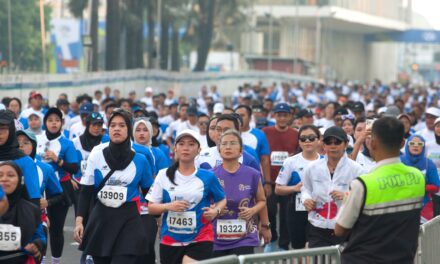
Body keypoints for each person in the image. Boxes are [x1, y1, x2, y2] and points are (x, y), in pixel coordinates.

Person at [335, 117, 425, 264]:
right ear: (403, 143)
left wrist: (347, 200)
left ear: (372, 143)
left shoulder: (363, 184)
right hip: (403, 258)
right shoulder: (418, 177)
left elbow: (340, 229)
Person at [74, 108, 153, 264]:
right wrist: (79, 222)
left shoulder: (141, 159)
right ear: (108, 129)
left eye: (122, 125)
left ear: (129, 130)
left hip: (129, 219)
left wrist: (158, 218)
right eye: (113, 125)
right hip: (101, 219)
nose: (117, 129)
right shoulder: (96, 155)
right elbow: (85, 192)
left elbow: (149, 194)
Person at [147, 129, 227, 264]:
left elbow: (222, 199)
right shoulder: (163, 175)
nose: (186, 148)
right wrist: (168, 206)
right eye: (182, 144)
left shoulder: (208, 176)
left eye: (191, 144)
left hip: (201, 237)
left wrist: (216, 211)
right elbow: (151, 208)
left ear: (198, 150)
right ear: (175, 148)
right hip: (170, 240)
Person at [301, 126, 365, 248]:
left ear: (346, 144)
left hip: (346, 228)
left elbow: (364, 198)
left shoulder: (357, 170)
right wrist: (306, 199)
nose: (333, 146)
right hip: (317, 228)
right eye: (328, 142)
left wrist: (346, 196)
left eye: (337, 142)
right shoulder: (312, 168)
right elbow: (306, 189)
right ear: (323, 145)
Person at [212, 129, 266, 256]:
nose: (228, 147)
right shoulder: (210, 175)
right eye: (224, 144)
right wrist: (215, 209)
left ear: (241, 150)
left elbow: (262, 200)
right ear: (219, 151)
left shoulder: (252, 174)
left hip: (245, 237)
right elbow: (204, 203)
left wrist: (252, 211)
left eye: (233, 143)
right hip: (216, 237)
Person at [36, 107, 79, 264]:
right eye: (50, 120)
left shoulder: (67, 143)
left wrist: (58, 160)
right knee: (40, 227)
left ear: (61, 123)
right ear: (45, 122)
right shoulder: (36, 140)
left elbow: (74, 168)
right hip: (39, 188)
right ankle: (41, 259)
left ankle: (56, 261)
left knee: (56, 228)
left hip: (60, 189)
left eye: (57, 120)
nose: (53, 123)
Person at [16, 129, 64, 262]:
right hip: (10, 220)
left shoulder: (45, 168)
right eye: (18, 142)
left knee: (36, 258)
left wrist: (47, 203)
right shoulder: (6, 165)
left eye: (26, 143)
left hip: (36, 220)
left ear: (34, 147)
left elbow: (60, 195)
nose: (21, 146)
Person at [275, 125, 322, 249]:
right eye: (303, 138)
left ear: (319, 140)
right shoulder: (290, 162)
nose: (307, 141)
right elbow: (278, 189)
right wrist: (294, 188)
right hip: (296, 211)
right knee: (299, 248)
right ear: (299, 141)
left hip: (319, 210)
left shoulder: (325, 161)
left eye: (311, 138)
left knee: (314, 247)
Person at [262, 103, 299, 251]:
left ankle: (284, 244)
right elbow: (262, 155)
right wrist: (265, 181)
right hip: (270, 180)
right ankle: (272, 239)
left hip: (288, 182)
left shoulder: (295, 134)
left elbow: (299, 152)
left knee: (286, 214)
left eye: (285, 115)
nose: (282, 118)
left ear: (290, 116)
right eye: (279, 115)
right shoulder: (265, 132)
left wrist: (293, 156)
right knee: (270, 211)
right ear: (274, 116)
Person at [0, 162, 46, 263]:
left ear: (20, 180)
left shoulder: (32, 209)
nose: (4, 179)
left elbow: (40, 236)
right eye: (0, 175)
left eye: (10, 175)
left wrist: (36, 245)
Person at [0, 110, 41, 206]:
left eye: (3, 128)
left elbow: (33, 198)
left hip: (16, 217)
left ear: (11, 130)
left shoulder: (25, 161)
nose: (0, 133)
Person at [400, 135, 440, 223]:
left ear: (423, 146)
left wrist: (420, 187)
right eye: (412, 143)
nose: (415, 146)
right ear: (407, 145)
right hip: (402, 206)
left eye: (419, 144)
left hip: (424, 209)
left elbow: (436, 187)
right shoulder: (399, 161)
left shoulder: (429, 164)